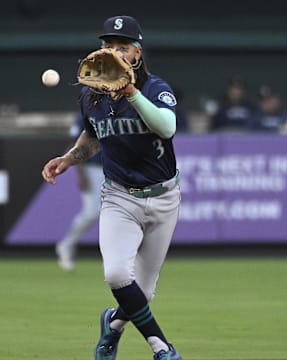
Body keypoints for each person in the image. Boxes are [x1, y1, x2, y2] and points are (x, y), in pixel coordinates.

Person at [41, 15, 182, 360]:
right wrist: (70, 157)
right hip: (119, 196)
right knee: (118, 274)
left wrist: (132, 93)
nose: (114, 52)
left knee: (141, 296)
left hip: (164, 199)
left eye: (123, 47)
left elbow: (166, 127)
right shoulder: (92, 97)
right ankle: (161, 347)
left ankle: (113, 326)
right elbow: (92, 136)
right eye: (108, 46)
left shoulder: (155, 88)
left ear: (137, 54)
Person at [55, 111, 103, 272]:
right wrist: (80, 173)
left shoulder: (121, 107)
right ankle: (66, 245)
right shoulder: (87, 112)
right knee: (91, 213)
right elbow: (74, 145)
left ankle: (120, 257)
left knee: (122, 212)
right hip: (92, 167)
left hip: (115, 168)